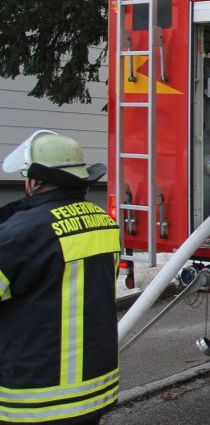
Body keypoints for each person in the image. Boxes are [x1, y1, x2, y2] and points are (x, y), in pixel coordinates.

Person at [0, 131, 119, 424]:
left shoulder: (21, 232)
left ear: (34, 181)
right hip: (95, 389)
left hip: (36, 396)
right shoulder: (104, 221)